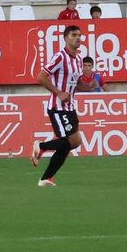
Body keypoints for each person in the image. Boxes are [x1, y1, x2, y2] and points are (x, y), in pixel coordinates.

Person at [31, 24, 84, 188]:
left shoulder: (79, 58)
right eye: (74, 35)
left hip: (70, 107)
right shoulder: (60, 57)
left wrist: (87, 86)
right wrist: (58, 92)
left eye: (79, 35)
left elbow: (75, 82)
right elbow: (40, 77)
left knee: (70, 143)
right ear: (66, 37)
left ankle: (46, 178)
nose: (77, 38)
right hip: (58, 106)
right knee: (74, 141)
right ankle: (41, 146)